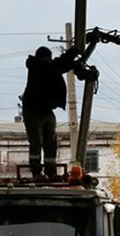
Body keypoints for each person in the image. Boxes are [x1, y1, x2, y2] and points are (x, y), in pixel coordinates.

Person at [21, 45, 79, 178]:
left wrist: (70, 57)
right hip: (33, 110)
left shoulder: (46, 67)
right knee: (36, 141)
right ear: (42, 58)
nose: (50, 60)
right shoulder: (36, 68)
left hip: (45, 110)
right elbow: (57, 67)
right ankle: (36, 172)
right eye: (48, 58)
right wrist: (71, 57)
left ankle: (50, 170)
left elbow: (57, 65)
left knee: (51, 141)